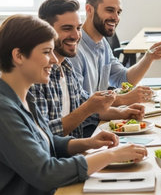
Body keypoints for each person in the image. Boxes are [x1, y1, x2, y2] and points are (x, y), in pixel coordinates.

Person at [0, 15, 147, 195]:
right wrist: (112, 155)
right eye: (46, 52)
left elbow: (45, 141)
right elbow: (45, 173)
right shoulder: (4, 110)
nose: (54, 60)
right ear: (19, 56)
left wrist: (88, 143)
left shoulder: (25, 96)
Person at [30, 0, 145, 138]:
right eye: (67, 28)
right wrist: (88, 109)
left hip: (76, 150)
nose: (76, 35)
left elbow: (89, 107)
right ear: (46, 30)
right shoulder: (36, 76)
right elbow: (45, 134)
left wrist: (123, 112)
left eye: (78, 28)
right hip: (60, 157)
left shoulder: (66, 67)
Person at [69, 0, 161, 106]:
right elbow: (79, 103)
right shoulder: (74, 50)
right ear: (89, 10)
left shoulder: (102, 43)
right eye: (110, 10)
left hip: (104, 117)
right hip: (91, 123)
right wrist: (124, 99)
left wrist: (148, 58)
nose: (116, 18)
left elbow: (124, 79)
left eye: (118, 12)